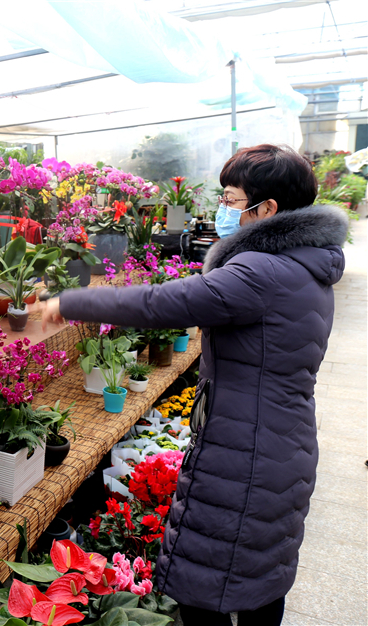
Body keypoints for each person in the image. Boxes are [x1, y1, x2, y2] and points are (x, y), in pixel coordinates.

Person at [42, 144, 348, 626]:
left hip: (242, 453)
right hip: (281, 442)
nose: (221, 211)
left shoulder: (261, 272)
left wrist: (73, 302)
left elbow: (161, 304)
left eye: (230, 199)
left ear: (266, 209)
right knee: (260, 578)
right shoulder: (308, 267)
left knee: (206, 589)